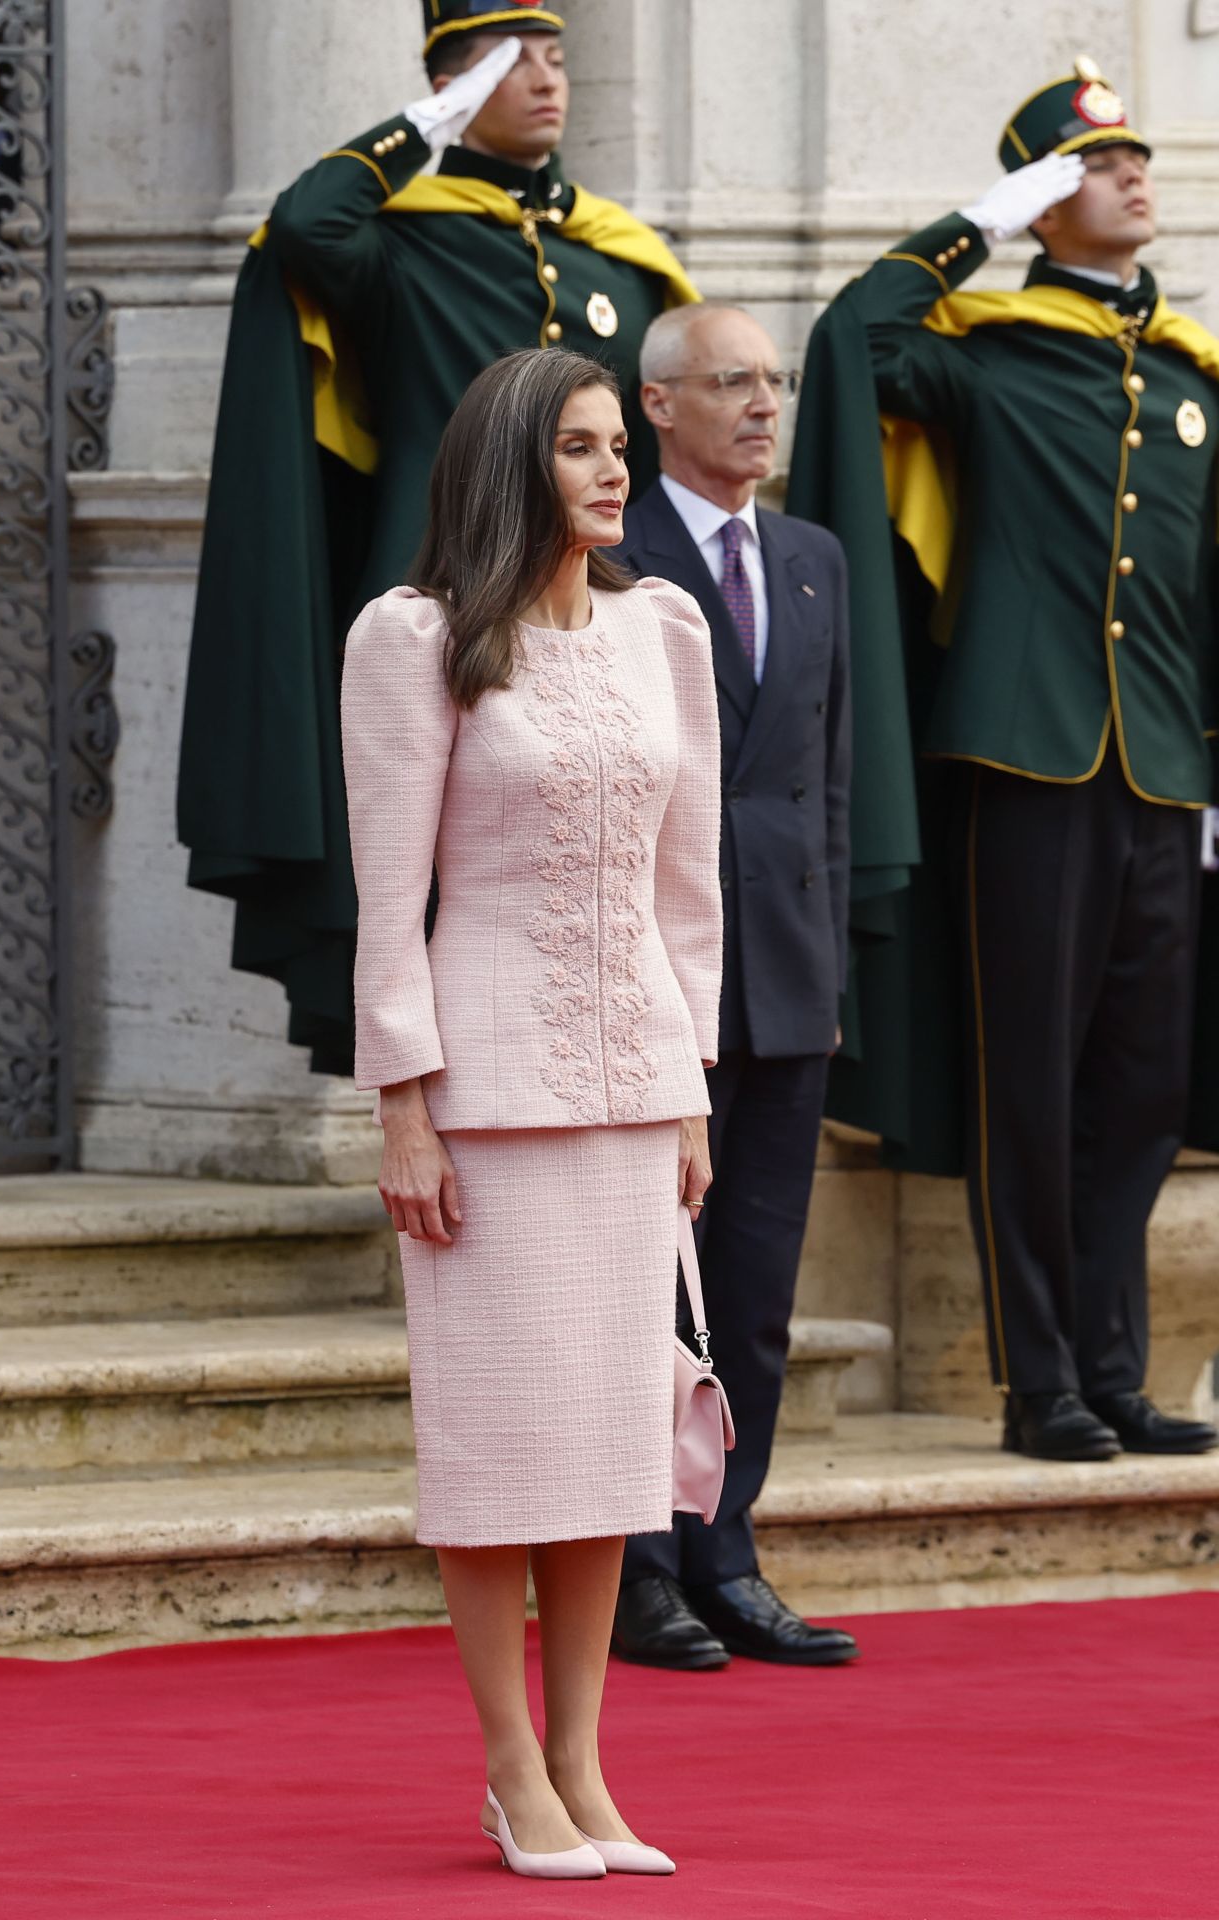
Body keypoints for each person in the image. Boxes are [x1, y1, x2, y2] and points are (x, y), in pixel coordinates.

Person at [788, 57, 1219, 1461]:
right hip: (1023, 761)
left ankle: (1115, 1367)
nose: (1133, 177)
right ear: (1047, 200)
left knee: (1144, 1092)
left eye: (1136, 160)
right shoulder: (985, 350)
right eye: (1098, 167)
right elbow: (852, 339)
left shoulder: (1189, 372)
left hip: (1161, 768)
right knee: (1027, 1083)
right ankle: (1040, 1386)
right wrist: (978, 220)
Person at [340, 346, 723, 1878]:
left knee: (606, 1456)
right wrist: (403, 1109)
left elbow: (686, 892)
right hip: (487, 1102)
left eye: (618, 443)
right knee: (504, 1452)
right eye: (578, 448)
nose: (613, 471)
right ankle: (510, 1770)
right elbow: (389, 897)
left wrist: (693, 1092)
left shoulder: (663, 631)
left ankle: (583, 1767)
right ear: (514, 466)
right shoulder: (415, 636)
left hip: (637, 1093)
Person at [177, 4, 699, 1079]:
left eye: (557, 58)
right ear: (456, 84)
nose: (548, 80)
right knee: (425, 885)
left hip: (588, 605)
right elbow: (306, 223)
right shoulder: (402, 241)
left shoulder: (613, 254)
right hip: (442, 589)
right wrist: (421, 126)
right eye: (511, 64)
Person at [608, 303, 858, 1671]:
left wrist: (823, 981)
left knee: (754, 1286)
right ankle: (638, 1568)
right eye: (730, 383)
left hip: (784, 983)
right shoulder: (610, 557)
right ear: (659, 407)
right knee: (651, 1282)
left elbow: (829, 787)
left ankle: (728, 1549)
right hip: (653, 974)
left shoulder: (813, 558)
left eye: (774, 382)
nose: (763, 405)